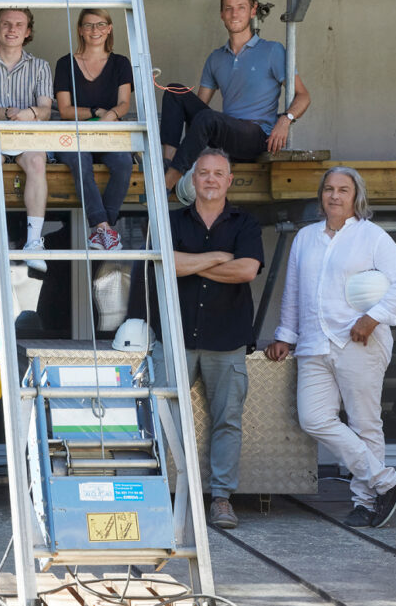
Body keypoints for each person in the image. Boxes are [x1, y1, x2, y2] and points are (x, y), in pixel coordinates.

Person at [267, 166, 396, 529]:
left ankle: (366, 502)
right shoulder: (305, 238)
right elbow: (293, 291)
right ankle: (387, 481)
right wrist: (285, 335)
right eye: (329, 189)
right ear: (321, 195)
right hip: (313, 343)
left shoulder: (371, 236)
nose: (334, 196)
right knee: (314, 418)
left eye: (343, 190)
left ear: (356, 197)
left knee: (365, 423)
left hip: (360, 342)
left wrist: (373, 317)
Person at [168, 149, 263, 530]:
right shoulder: (171, 220)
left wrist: (194, 263)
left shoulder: (246, 222)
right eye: (202, 173)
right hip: (176, 335)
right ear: (192, 180)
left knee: (228, 421)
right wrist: (218, 257)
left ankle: (221, 498)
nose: (209, 179)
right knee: (165, 419)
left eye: (217, 173)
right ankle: (162, 492)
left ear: (229, 180)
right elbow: (167, 263)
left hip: (228, 338)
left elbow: (246, 271)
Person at [160, 0, 311, 193]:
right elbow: (198, 109)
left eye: (241, 7)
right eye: (228, 9)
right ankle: (168, 162)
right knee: (174, 91)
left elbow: (303, 96)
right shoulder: (216, 58)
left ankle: (169, 180)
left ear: (252, 11)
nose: (234, 13)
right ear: (222, 14)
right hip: (226, 133)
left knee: (207, 118)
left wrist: (285, 120)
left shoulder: (272, 50)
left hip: (255, 136)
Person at [0, 7, 55, 271]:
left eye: (19, 25)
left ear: (28, 31)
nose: (12, 29)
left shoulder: (40, 66)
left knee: (38, 162)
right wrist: (6, 112)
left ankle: (33, 242)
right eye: (6, 23)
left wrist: (29, 113)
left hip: (27, 135)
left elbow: (45, 111)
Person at [54, 9, 134, 251]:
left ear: (109, 28)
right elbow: (65, 110)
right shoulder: (65, 63)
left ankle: (103, 228)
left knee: (123, 163)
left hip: (108, 135)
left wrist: (112, 115)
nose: (94, 30)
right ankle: (103, 228)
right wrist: (99, 112)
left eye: (100, 24)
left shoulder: (120, 63)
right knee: (80, 161)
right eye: (88, 25)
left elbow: (124, 104)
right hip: (76, 136)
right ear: (80, 30)